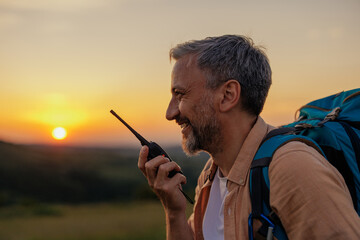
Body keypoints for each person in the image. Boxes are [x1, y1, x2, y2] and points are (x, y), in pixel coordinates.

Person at [137, 35, 360, 239]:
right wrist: (174, 212)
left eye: (180, 94)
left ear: (228, 95)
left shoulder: (293, 168)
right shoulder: (211, 174)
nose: (170, 113)